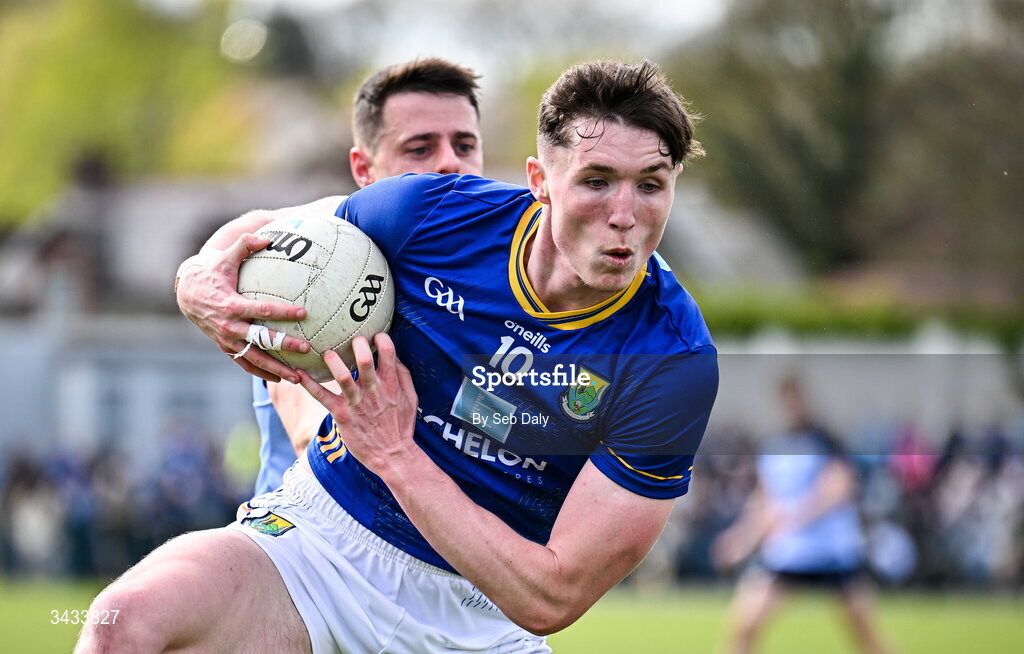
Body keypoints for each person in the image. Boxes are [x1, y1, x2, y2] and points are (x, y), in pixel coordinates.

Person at [77, 59, 718, 654]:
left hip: (484, 618)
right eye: (597, 182)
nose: (625, 215)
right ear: (539, 181)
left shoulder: (672, 361)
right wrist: (195, 282)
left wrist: (394, 454)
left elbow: (551, 595)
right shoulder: (430, 215)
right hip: (321, 547)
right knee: (122, 622)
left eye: (651, 186)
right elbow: (261, 235)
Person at [251, 58, 485, 495]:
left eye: (465, 145)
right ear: (363, 169)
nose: (451, 163)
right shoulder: (309, 273)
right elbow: (314, 434)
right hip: (309, 547)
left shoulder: (493, 282)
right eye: (420, 148)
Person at [712, 377, 893, 654]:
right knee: (743, 626)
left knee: (865, 635)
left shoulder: (826, 440)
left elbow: (840, 487)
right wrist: (742, 540)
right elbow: (764, 501)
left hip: (832, 551)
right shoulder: (773, 444)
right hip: (790, 552)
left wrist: (794, 516)